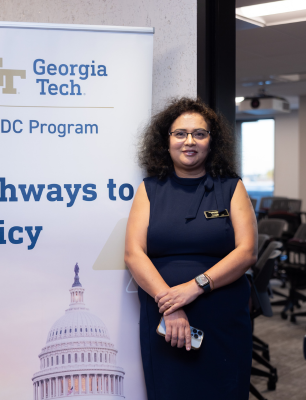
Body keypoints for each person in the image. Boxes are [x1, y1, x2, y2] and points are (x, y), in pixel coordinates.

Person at [124, 97, 257, 399]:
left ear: (212, 141)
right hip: (166, 318)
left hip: (222, 316)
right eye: (180, 133)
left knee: (225, 389)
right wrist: (171, 305)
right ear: (166, 141)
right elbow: (134, 253)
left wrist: (195, 287)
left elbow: (247, 251)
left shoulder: (231, 187)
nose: (189, 141)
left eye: (200, 133)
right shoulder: (149, 189)